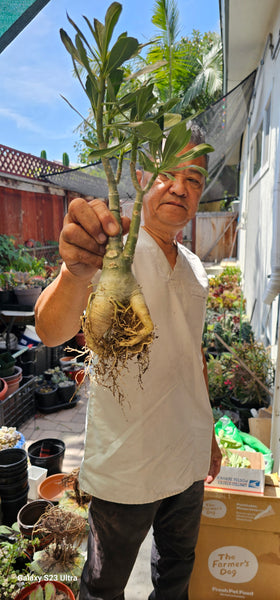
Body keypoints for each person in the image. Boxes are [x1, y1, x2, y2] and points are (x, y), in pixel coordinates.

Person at [35, 123, 222, 600]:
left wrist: (212, 436)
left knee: (176, 568)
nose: (180, 187)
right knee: (104, 584)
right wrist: (76, 274)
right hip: (127, 461)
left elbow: (192, 352)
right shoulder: (111, 249)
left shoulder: (196, 267)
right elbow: (50, 329)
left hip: (187, 455)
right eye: (166, 173)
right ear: (141, 177)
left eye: (194, 179)